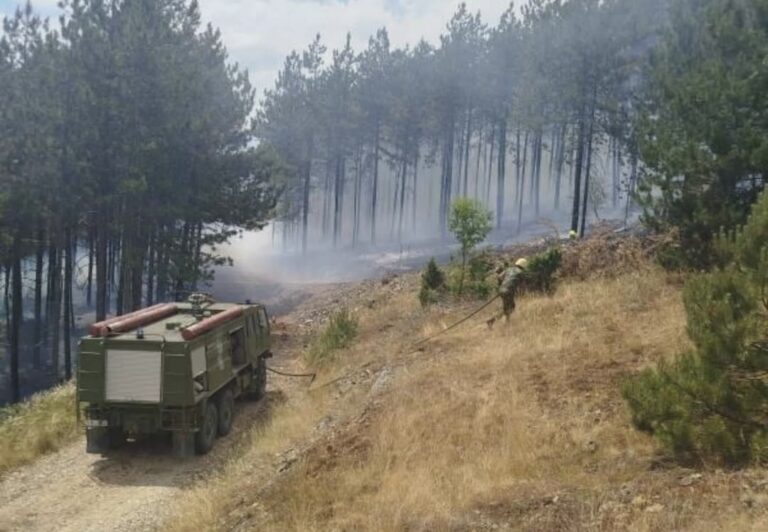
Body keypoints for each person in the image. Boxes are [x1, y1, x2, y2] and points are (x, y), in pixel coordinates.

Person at [487, 257, 528, 329]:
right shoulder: (521, 273)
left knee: (506, 307)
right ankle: (492, 320)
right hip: (509, 291)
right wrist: (523, 293)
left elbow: (499, 277)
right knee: (511, 307)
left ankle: (507, 323)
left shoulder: (508, 269)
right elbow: (523, 286)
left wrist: (502, 286)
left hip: (502, 290)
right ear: (524, 266)